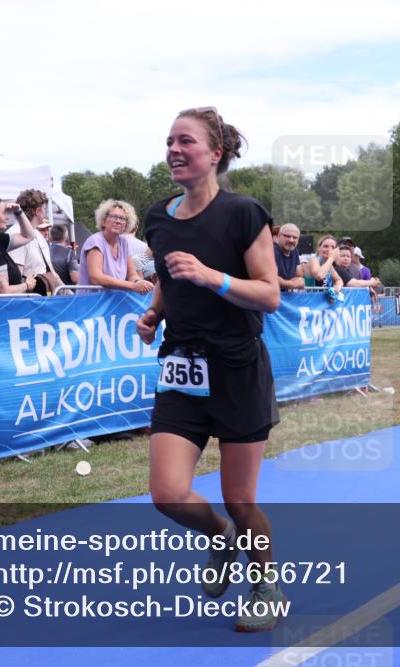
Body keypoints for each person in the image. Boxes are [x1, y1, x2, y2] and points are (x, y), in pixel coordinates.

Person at [136, 106, 284, 633]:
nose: (174, 150)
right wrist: (156, 310)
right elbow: (169, 277)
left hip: (236, 368)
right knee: (168, 494)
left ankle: (265, 583)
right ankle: (220, 539)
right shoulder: (157, 216)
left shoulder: (244, 213)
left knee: (241, 499)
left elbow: (269, 295)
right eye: (169, 141)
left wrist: (210, 277)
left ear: (215, 153)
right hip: (180, 366)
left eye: (186, 141)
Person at [78, 199, 153, 294]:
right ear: (104, 220)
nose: (118, 221)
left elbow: (132, 275)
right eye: (113, 217)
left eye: (122, 218)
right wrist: (133, 286)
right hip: (92, 302)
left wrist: (139, 282)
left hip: (114, 301)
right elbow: (96, 278)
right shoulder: (95, 241)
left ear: (127, 224)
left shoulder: (124, 243)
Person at [9, 189, 61, 285]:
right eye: (44, 209)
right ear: (37, 211)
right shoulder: (15, 235)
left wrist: (68, 293)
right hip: (29, 298)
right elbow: (16, 278)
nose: (46, 213)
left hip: (42, 296)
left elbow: (52, 273)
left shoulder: (37, 235)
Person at [273, 222, 304, 290]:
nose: (291, 240)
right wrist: (292, 284)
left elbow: (299, 276)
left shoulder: (294, 251)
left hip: (285, 297)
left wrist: (285, 283)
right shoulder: (272, 251)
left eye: (295, 237)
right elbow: (272, 278)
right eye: (287, 236)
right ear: (278, 236)